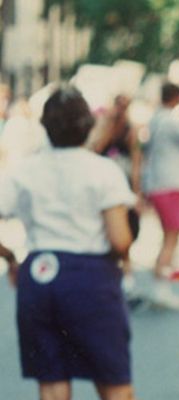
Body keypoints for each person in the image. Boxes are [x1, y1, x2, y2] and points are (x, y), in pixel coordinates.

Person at [1, 85, 137, 400]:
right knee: (114, 382)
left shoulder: (25, 170)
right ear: (87, 125)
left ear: (46, 127)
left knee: (51, 382)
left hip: (39, 273)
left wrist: (10, 258)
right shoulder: (103, 171)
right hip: (89, 276)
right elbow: (120, 241)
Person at [140, 83, 179, 310]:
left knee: (168, 237)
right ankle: (161, 289)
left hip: (158, 183)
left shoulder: (155, 119)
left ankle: (160, 286)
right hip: (172, 184)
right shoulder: (173, 122)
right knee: (171, 239)